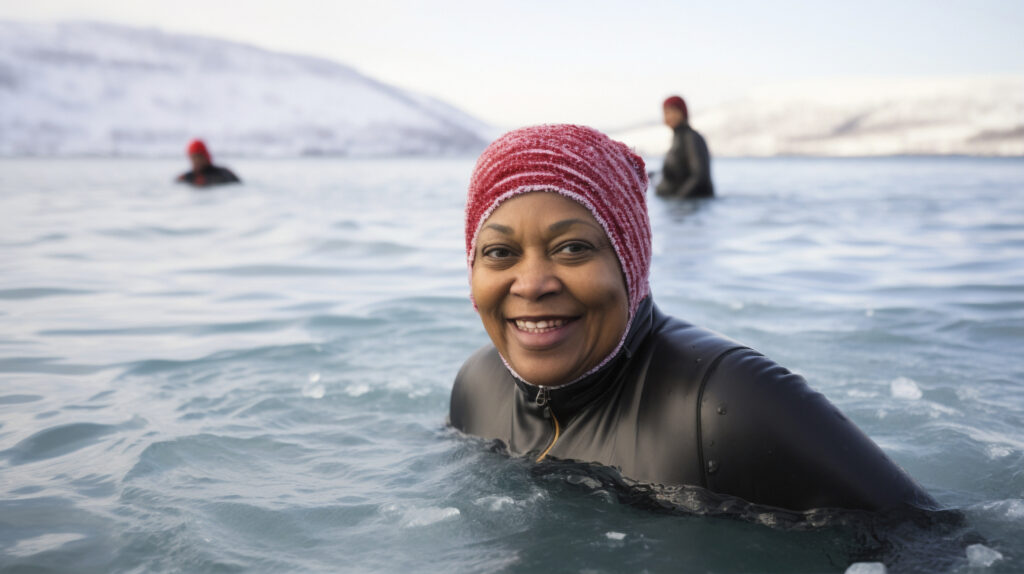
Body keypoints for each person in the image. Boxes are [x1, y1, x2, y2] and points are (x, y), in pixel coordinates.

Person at [449, 124, 936, 513]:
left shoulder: (725, 405)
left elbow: (937, 547)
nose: (532, 283)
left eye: (573, 248)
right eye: (499, 252)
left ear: (630, 260)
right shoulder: (477, 387)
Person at [656, 95, 714, 198]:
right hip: (675, 204)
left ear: (681, 113)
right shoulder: (677, 139)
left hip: (690, 206)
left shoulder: (692, 138)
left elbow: (700, 176)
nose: (666, 117)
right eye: (664, 113)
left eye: (669, 112)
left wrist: (679, 199)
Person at [176, 139, 241, 187]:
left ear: (206, 156)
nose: (196, 161)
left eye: (199, 156)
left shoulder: (224, 173)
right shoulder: (186, 177)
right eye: (193, 157)